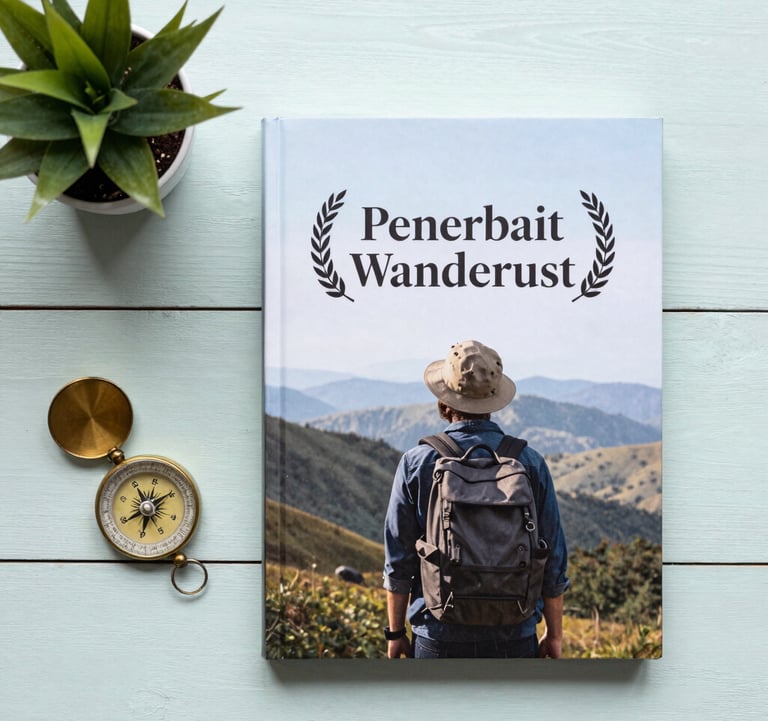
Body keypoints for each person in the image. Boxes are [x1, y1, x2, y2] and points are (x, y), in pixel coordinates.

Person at [382, 340, 569, 659]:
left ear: (444, 404)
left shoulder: (417, 462)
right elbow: (552, 556)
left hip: (437, 632)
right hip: (515, 631)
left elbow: (399, 558)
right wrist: (554, 635)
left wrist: (396, 633)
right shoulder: (529, 462)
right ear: (494, 402)